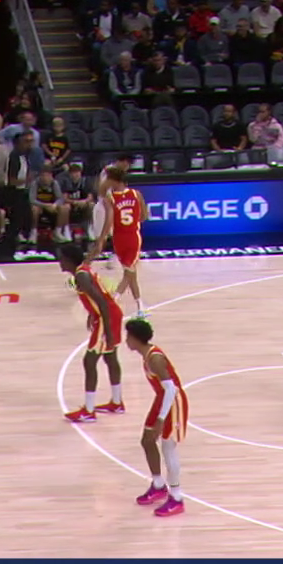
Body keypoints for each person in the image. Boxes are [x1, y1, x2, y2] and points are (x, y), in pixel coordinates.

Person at [123, 318, 188, 517]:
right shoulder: (147, 355)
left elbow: (171, 389)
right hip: (161, 398)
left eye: (128, 337)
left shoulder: (155, 359)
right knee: (147, 440)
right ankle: (159, 485)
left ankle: (176, 497)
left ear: (136, 339)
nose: (126, 341)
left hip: (173, 402)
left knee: (168, 448)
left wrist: (161, 419)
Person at [58, 244, 123, 424]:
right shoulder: (82, 271)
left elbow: (102, 302)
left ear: (69, 260)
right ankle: (117, 402)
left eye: (61, 258)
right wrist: (91, 314)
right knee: (110, 357)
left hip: (106, 316)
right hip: (110, 314)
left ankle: (88, 410)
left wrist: (107, 330)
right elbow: (97, 298)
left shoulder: (81, 276)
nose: (59, 262)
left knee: (89, 360)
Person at [90, 166, 148, 318]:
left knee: (130, 272)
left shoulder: (110, 198)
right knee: (130, 272)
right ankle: (119, 301)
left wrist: (102, 238)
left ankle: (137, 305)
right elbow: (144, 216)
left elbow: (109, 220)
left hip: (118, 238)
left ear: (113, 180)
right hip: (133, 237)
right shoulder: (136, 194)